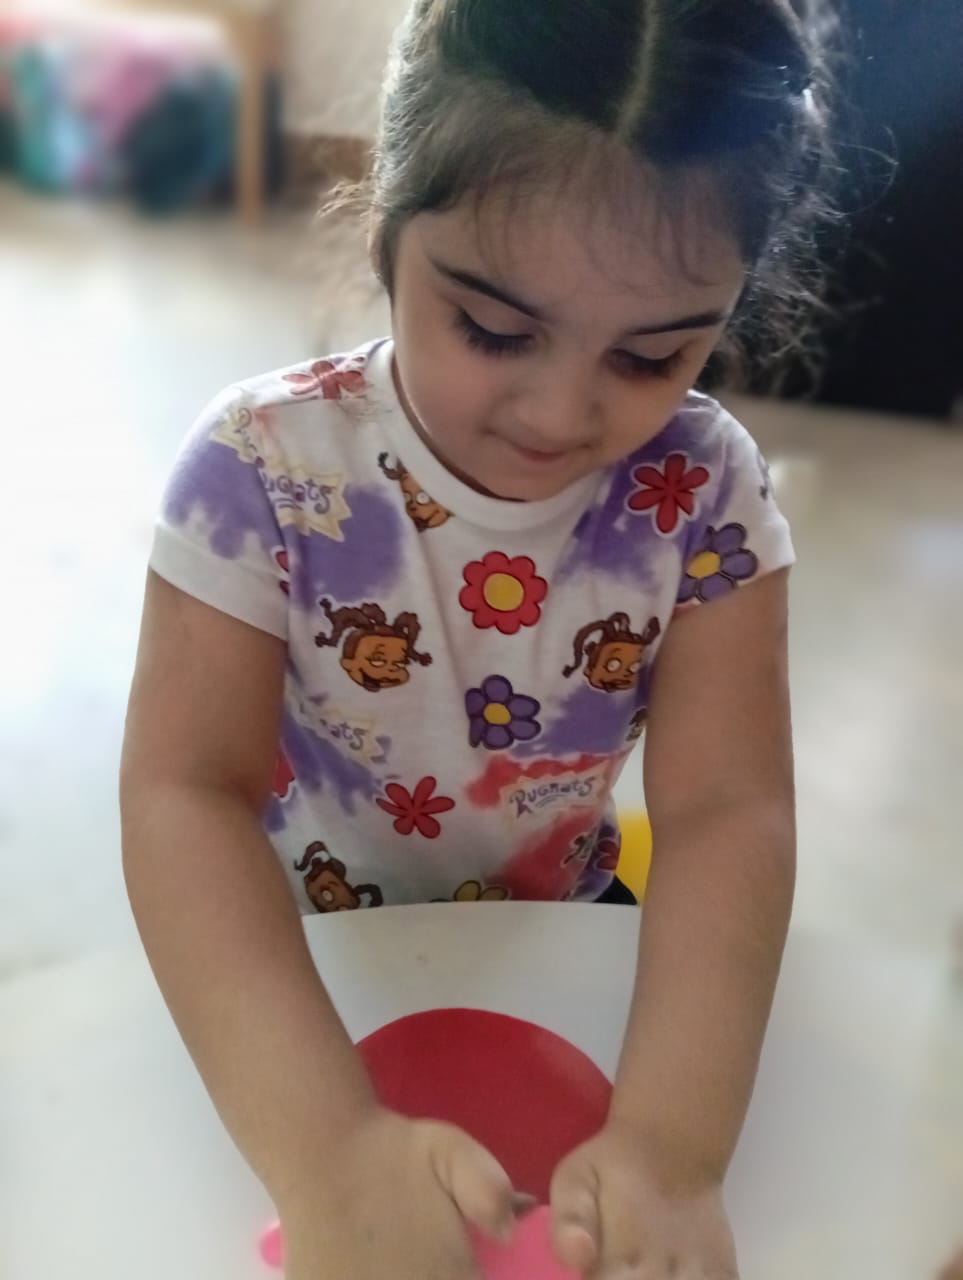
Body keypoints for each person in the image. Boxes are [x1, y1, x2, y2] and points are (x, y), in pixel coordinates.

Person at [120, 2, 841, 1277]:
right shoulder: (261, 466)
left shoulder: (705, 490)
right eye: (496, 330)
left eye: (654, 355)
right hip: (296, 948)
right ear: (387, 226)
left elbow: (729, 808)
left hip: (561, 923)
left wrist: (675, 1142)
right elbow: (184, 793)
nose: (561, 411)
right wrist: (326, 1149)